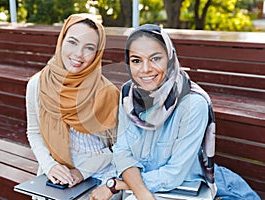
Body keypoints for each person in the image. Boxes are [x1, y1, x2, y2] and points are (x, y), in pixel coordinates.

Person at [90, 24, 261, 200]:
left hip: (193, 186)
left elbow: (175, 173)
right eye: (136, 60)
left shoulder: (193, 103)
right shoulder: (128, 95)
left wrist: (117, 185)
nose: (145, 69)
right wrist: (141, 193)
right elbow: (123, 152)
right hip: (147, 187)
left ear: (170, 58)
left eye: (155, 58)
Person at [25, 13, 121, 199]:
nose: (78, 54)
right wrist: (50, 165)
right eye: (72, 42)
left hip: (98, 172)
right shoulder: (38, 84)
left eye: (89, 47)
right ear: (61, 41)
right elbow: (34, 131)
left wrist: (82, 172)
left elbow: (120, 148)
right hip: (56, 171)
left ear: (97, 53)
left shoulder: (107, 92)